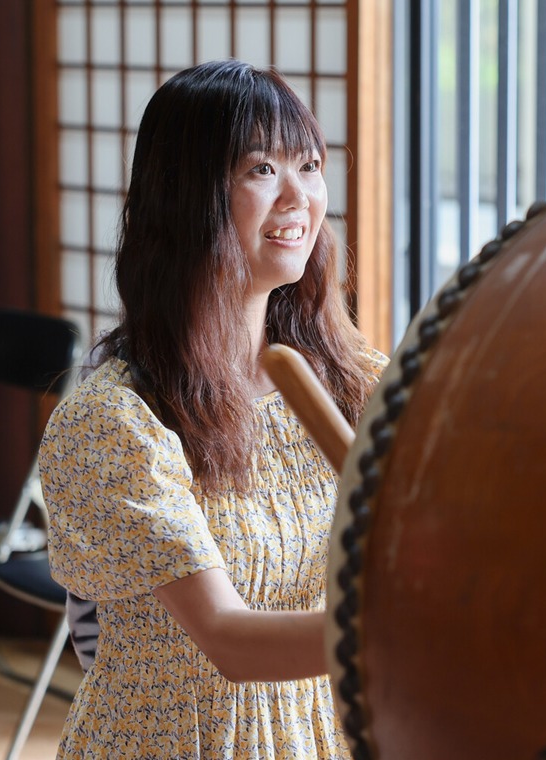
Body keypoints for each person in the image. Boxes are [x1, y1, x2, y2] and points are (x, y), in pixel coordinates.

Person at [38, 59, 385, 758]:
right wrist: (401, 634)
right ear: (188, 196)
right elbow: (229, 641)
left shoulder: (355, 384)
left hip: (320, 736)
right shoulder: (113, 422)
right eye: (261, 169)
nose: (299, 197)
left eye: (309, 165)